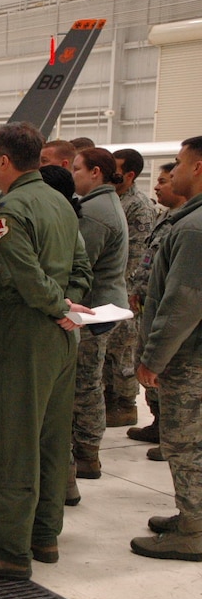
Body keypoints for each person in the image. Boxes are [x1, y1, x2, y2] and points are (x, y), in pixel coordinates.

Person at [0, 122, 92, 580]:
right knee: (52, 438)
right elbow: (80, 265)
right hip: (60, 334)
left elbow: (24, 274)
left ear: (5, 161)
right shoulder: (60, 201)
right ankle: (43, 534)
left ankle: (9, 549)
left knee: (12, 440)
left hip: (24, 332)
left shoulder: (9, 209)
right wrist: (69, 307)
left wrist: (56, 305)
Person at [131, 135, 202, 562]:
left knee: (185, 443)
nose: (170, 172)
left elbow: (183, 301)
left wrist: (153, 357)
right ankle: (193, 515)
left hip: (190, 356)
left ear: (197, 167)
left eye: (177, 163)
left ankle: (193, 530)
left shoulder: (193, 228)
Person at [70, 147, 129, 485]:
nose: (74, 174)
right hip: (103, 305)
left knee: (85, 382)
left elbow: (81, 264)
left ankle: (87, 450)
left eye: (78, 168)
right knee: (89, 380)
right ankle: (88, 448)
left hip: (92, 309)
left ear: (96, 173)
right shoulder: (105, 204)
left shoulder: (94, 212)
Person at [127, 163, 184, 455]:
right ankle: (158, 423)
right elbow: (148, 258)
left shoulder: (186, 225)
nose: (159, 186)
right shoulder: (166, 218)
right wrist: (138, 289)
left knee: (166, 372)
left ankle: (171, 437)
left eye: (165, 180)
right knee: (147, 366)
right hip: (149, 304)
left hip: (167, 310)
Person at [103, 148, 156, 427]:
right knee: (108, 350)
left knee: (123, 351)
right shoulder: (112, 199)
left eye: (117, 170)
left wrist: (125, 292)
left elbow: (137, 256)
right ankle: (109, 399)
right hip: (111, 289)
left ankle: (125, 405)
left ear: (130, 175)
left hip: (125, 290)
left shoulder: (139, 207)